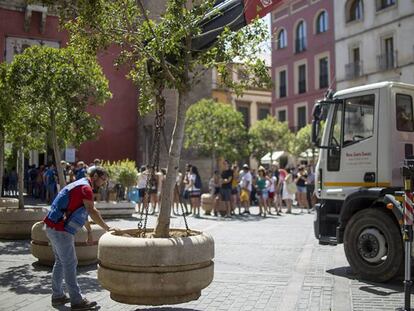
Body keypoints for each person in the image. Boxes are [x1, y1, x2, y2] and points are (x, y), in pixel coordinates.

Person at [43, 166, 118, 310]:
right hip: (60, 229)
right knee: (70, 263)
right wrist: (107, 228)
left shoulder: (80, 183)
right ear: (95, 176)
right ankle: (77, 301)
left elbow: (80, 211)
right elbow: (91, 210)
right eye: (103, 180)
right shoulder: (86, 188)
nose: (103, 183)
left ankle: (57, 295)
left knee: (60, 262)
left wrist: (89, 232)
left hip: (52, 226)